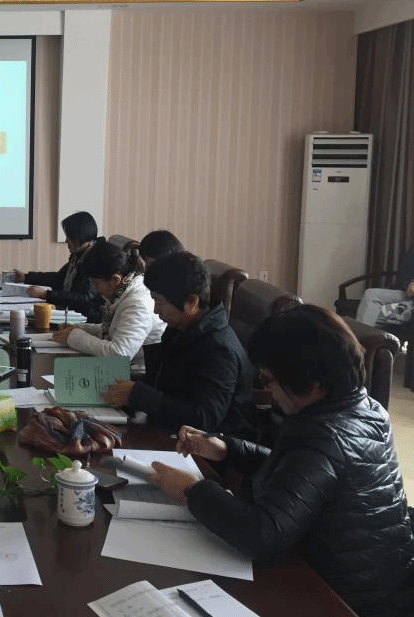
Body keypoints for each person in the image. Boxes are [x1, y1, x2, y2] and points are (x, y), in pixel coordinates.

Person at [148, 305, 414, 617]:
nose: (268, 390)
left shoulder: (326, 436)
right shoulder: (363, 407)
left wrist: (192, 490)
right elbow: (301, 476)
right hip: (382, 582)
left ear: (313, 383)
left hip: (347, 599)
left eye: (270, 379)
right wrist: (227, 450)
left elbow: (262, 534)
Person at [103, 251, 258, 438]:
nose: (155, 310)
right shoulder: (181, 328)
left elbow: (204, 419)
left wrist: (136, 394)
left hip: (204, 447)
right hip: (168, 429)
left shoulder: (219, 350)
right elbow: (165, 384)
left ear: (191, 302)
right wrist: (127, 389)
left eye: (159, 302)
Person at [50, 240, 165, 366]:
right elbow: (113, 330)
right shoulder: (122, 290)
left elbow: (120, 354)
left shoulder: (137, 303)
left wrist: (74, 337)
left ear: (115, 279)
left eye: (96, 283)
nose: (95, 288)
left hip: (137, 371)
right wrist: (81, 328)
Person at [14, 211, 105, 323]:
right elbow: (59, 278)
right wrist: (26, 277)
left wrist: (46, 294)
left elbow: (86, 300)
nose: (66, 241)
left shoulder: (96, 259)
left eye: (69, 237)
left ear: (80, 237)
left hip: (85, 319)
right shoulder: (79, 254)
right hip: (70, 312)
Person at [354, 246, 414, 327]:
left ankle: (362, 333)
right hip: (405, 292)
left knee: (371, 312)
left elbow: (411, 291)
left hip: (410, 297)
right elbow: (409, 289)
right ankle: (361, 332)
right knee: (370, 294)